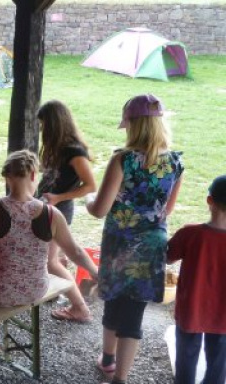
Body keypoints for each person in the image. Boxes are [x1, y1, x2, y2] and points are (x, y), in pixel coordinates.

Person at [86, 94, 184, 384]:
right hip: (152, 246)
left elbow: (99, 209)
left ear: (132, 126)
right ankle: (121, 378)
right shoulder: (175, 163)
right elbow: (167, 210)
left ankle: (107, 360)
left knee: (112, 298)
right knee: (134, 311)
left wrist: (91, 198)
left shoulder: (123, 161)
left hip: (119, 243)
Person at [0, 150, 98, 352]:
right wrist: (95, 272)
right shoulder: (51, 214)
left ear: (6, 177)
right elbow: (75, 251)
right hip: (35, 289)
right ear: (33, 175)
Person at [36, 100, 97, 323]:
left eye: (44, 125)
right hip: (48, 206)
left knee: (50, 261)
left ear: (55, 124)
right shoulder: (57, 147)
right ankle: (63, 286)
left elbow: (90, 186)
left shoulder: (75, 152)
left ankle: (80, 307)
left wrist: (58, 197)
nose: (42, 130)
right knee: (59, 256)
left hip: (59, 209)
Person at [167, 175, 226, 384]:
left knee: (186, 357)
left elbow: (167, 256)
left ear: (209, 200)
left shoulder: (190, 233)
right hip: (223, 315)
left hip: (191, 309)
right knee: (219, 363)